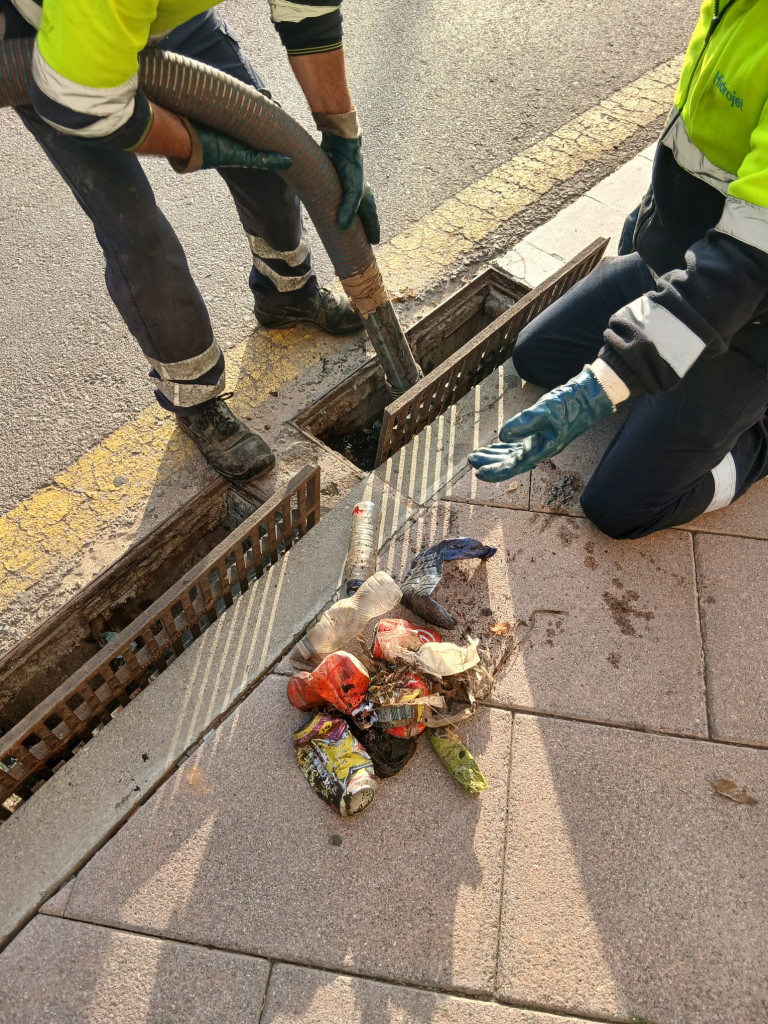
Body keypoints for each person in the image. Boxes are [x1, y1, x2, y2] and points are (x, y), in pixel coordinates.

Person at [0, 0, 379, 481]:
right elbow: (80, 105)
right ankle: (193, 395)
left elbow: (308, 10)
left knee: (268, 144)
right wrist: (192, 145)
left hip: (158, 13)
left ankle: (286, 292)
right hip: (54, 48)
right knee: (134, 227)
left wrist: (340, 133)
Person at [469, 0, 768, 539]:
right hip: (676, 266)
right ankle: (674, 385)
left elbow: (744, 265)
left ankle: (756, 439)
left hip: (751, 320)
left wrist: (607, 381)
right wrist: (646, 228)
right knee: (537, 355)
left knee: (620, 506)